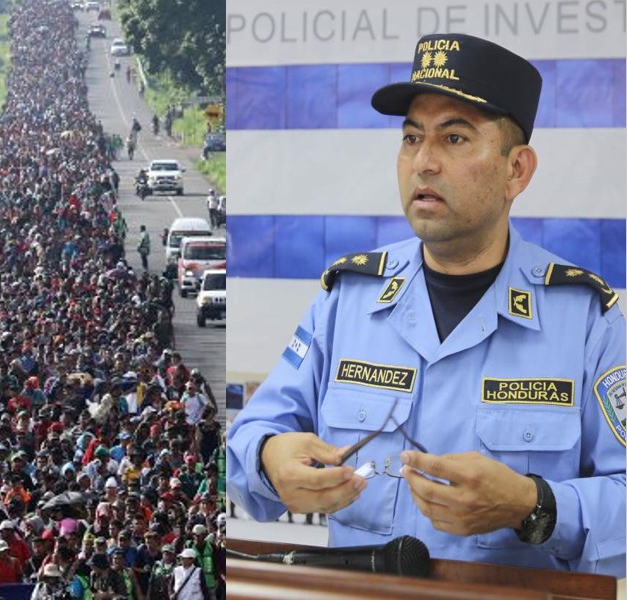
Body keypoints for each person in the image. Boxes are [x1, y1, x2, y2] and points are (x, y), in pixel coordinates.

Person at [226, 33, 626, 576]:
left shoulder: (585, 320)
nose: (424, 162)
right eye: (412, 138)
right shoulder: (348, 300)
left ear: (518, 170)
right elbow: (252, 435)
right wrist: (269, 460)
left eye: (455, 138)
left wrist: (535, 506)